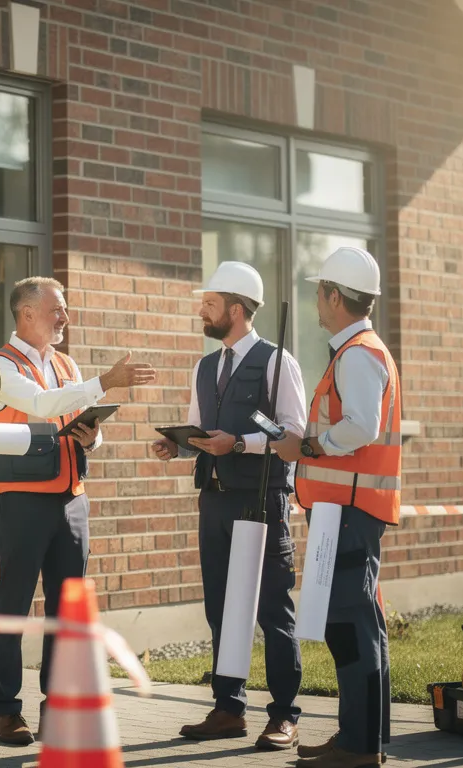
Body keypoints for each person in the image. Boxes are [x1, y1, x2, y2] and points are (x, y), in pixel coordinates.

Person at [0, 276, 157, 745]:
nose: (65, 317)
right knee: (14, 608)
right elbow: (42, 405)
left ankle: (55, 707)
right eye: (57, 309)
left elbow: (76, 418)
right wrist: (104, 382)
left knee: (66, 612)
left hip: (72, 501)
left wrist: (92, 437)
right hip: (21, 502)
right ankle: (6, 712)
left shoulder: (65, 362)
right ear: (27, 314)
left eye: (65, 308)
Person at [151, 261, 306, 750]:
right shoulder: (205, 366)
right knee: (220, 609)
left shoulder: (278, 363)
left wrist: (239, 443)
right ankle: (228, 707)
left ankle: (284, 715)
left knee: (271, 611)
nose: (203, 310)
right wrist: (178, 446)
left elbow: (292, 436)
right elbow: (202, 434)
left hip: (261, 502)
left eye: (211, 304)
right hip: (214, 503)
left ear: (236, 310)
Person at [271, 246, 400, 768]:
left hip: (348, 511)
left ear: (333, 295)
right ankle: (364, 737)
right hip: (347, 509)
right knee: (357, 621)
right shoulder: (358, 351)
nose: (316, 302)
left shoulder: (358, 354)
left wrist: (308, 446)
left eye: (319, 292)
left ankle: (358, 746)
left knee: (347, 623)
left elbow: (362, 426)